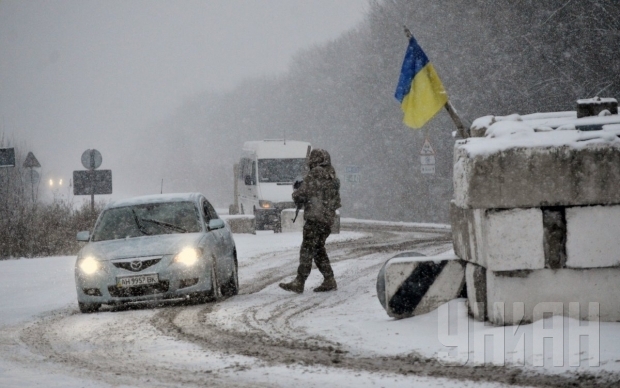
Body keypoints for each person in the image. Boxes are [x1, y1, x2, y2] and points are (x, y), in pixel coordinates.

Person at [279, 149, 341, 293]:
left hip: (315, 218)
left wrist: (297, 191)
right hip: (327, 220)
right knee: (318, 249)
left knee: (307, 249)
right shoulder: (331, 174)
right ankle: (329, 279)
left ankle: (299, 282)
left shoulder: (315, 174)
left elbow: (303, 194)